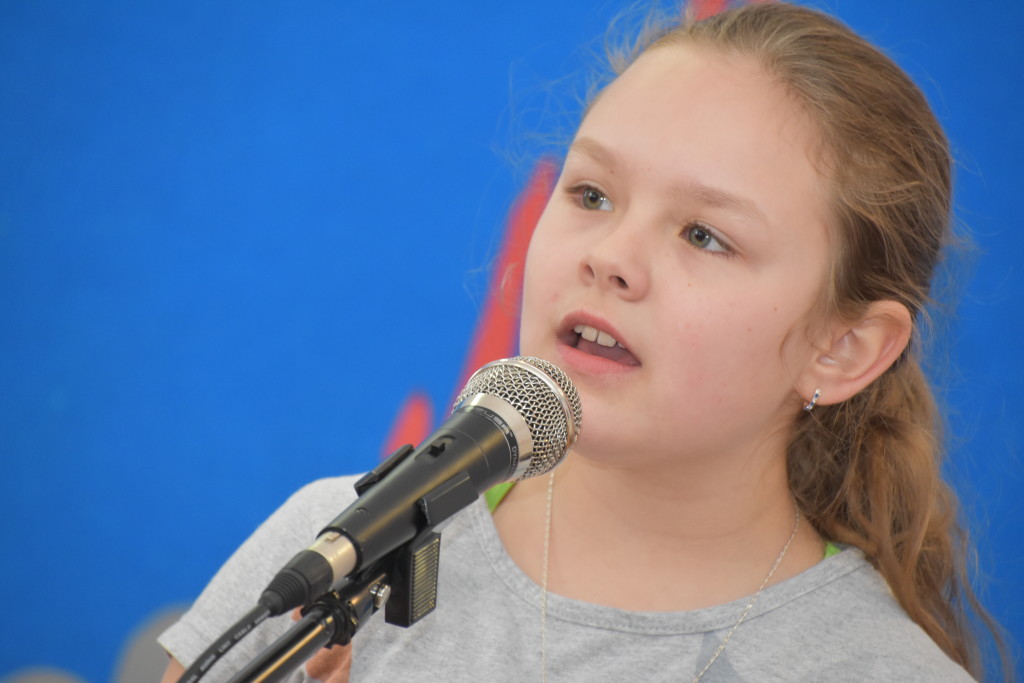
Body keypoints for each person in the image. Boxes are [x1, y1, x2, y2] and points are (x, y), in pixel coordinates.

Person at [159, 3, 1007, 681]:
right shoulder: (338, 548)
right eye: (593, 194)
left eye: (705, 235)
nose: (610, 257)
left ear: (844, 347)